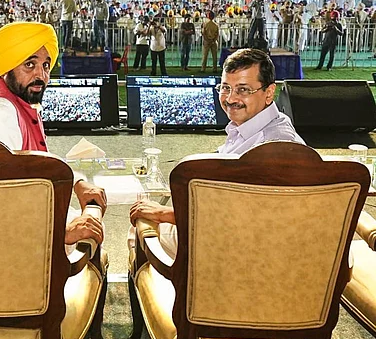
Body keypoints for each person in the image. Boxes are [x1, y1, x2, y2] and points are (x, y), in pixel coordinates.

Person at [129, 48, 305, 259]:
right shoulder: (253, 126)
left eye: (243, 90)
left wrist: (165, 214)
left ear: (269, 93)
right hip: (238, 237)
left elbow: (247, 218)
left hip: (240, 252)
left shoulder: (275, 147)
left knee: (139, 229)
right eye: (225, 88)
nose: (230, 98)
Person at [0, 22, 106, 249]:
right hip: (3, 245)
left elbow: (29, 163)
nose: (41, 75)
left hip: (22, 222)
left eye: (46, 65)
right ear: (7, 66)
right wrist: (59, 232)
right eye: (30, 64)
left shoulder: (14, 99)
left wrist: (76, 182)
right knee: (92, 232)